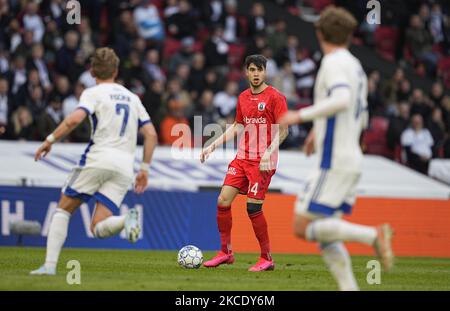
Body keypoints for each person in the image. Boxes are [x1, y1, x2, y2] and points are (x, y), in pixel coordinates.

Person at [278, 7, 394, 290]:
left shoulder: (333, 63)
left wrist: (299, 116)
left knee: (301, 227)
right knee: (327, 235)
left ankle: (373, 235)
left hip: (334, 161)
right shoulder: (356, 66)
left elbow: (341, 100)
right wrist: (318, 131)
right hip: (350, 156)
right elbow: (358, 112)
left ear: (319, 33)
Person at [30, 48, 158, 275]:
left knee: (63, 210)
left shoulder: (93, 93)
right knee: (98, 227)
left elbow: (74, 120)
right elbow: (151, 134)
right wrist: (144, 169)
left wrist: (50, 140)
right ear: (116, 71)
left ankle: (49, 267)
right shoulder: (132, 97)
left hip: (98, 158)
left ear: (91, 71)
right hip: (124, 167)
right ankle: (125, 220)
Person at [200, 55, 288, 272]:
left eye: (259, 70)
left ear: (265, 72)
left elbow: (284, 130)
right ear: (246, 72)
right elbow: (238, 126)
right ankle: (226, 252)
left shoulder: (276, 97)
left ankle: (266, 258)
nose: (256, 74)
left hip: (263, 162)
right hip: (242, 158)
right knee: (222, 200)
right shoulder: (242, 97)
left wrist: (269, 151)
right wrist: (213, 144)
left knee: (253, 207)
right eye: (252, 69)